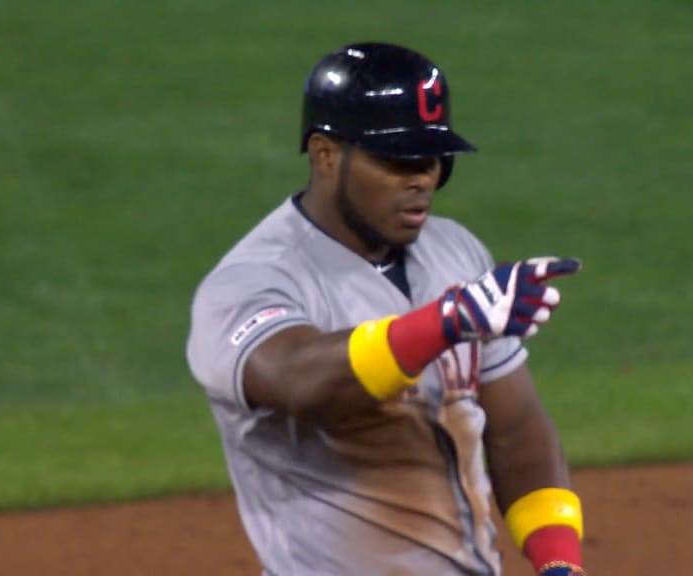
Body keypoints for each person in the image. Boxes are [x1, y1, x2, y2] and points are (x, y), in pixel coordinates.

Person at [186, 41, 586, 576]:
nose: (422, 178)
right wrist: (446, 323)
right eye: (399, 160)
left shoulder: (455, 252)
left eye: (434, 161)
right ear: (326, 154)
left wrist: (558, 560)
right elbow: (298, 380)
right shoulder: (253, 281)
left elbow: (515, 427)